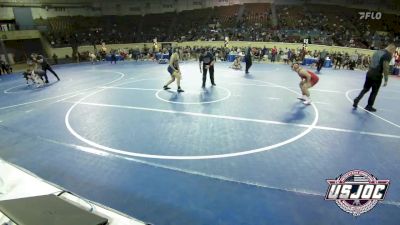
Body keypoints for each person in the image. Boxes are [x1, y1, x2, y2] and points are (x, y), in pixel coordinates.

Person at [353, 43, 396, 112]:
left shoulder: (378, 51)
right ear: (392, 49)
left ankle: (357, 99)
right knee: (374, 92)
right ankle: (369, 106)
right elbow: (386, 68)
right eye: (394, 51)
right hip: (377, 75)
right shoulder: (388, 55)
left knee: (365, 89)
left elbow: (372, 62)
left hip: (369, 73)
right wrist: (386, 80)